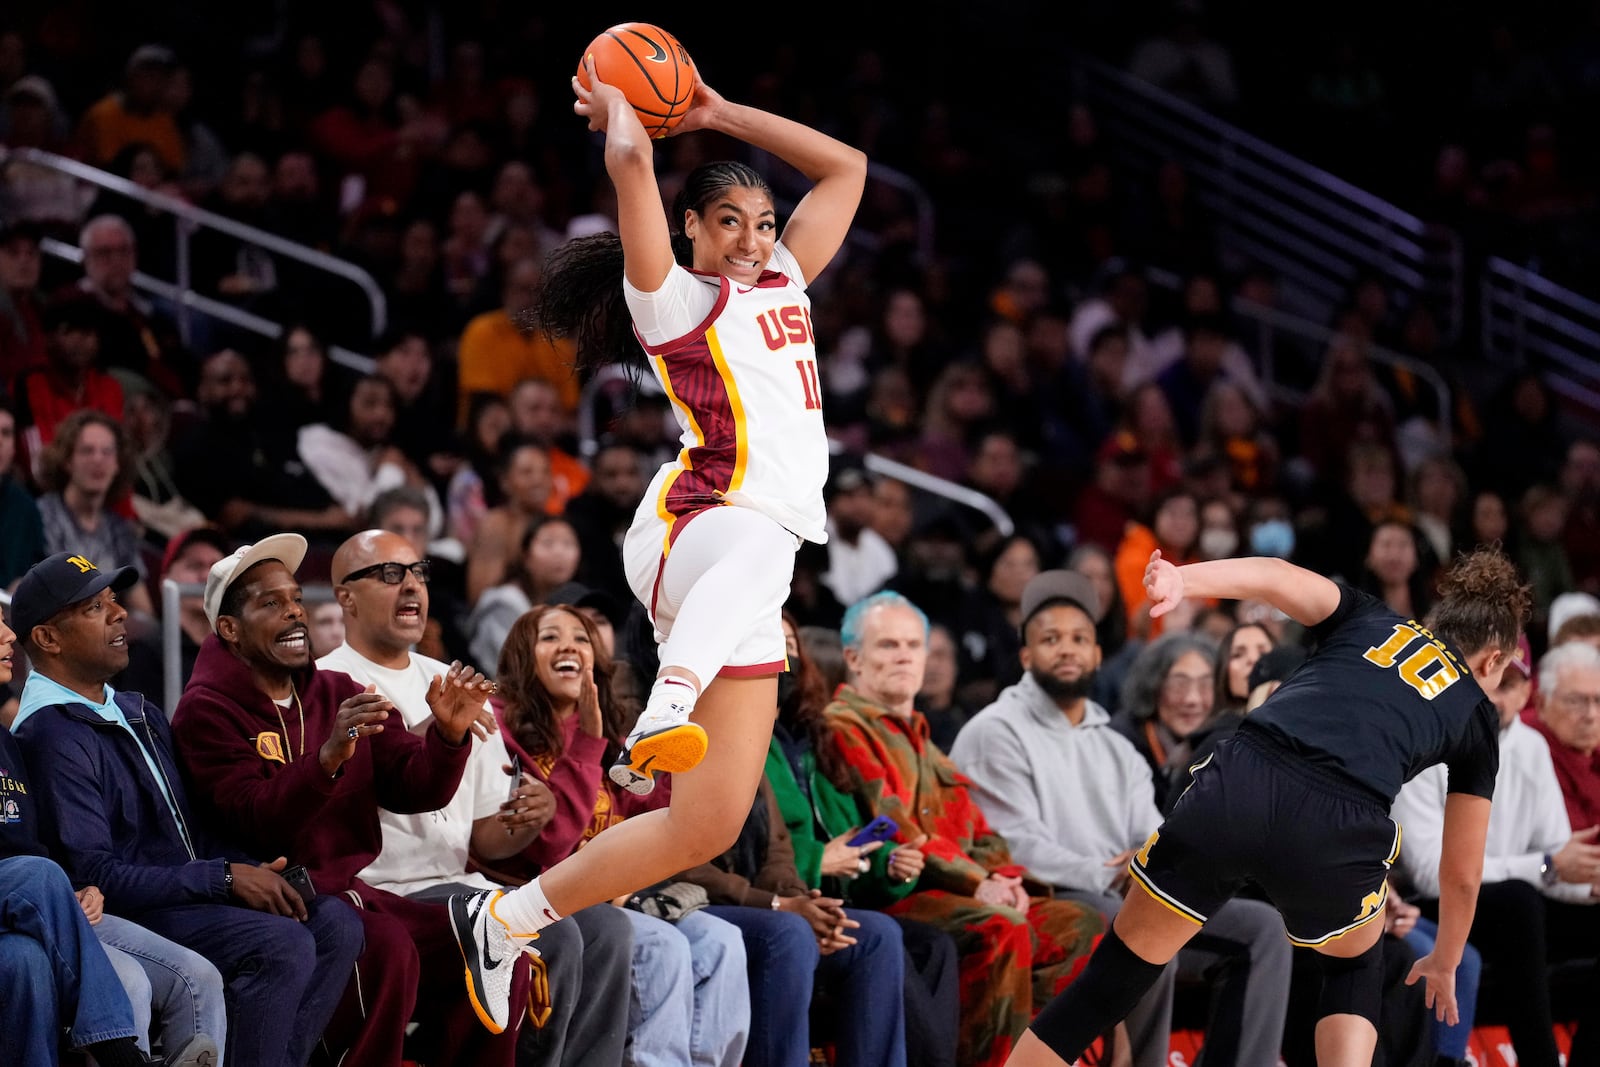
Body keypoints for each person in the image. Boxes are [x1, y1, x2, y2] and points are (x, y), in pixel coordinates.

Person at [443, 52, 872, 1031]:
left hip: (745, 569)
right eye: (731, 221)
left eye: (765, 222)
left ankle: (508, 917)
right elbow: (632, 169)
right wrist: (624, 119)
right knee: (767, 545)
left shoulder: (789, 277)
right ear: (691, 230)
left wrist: (719, 108)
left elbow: (844, 166)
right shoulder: (675, 302)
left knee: (706, 821)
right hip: (693, 529)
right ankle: (660, 711)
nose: (757, 238)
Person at [1005, 546, 1530, 1067]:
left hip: (1241, 779)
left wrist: (1181, 580)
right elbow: (1461, 872)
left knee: (1112, 980)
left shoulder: (1370, 616)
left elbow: (1275, 576)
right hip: (1337, 822)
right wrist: (1446, 958)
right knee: (1354, 967)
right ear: (1494, 660)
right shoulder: (1477, 717)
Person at [169, 533, 524, 1064]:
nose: (294, 613)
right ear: (229, 630)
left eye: (295, 599)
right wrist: (329, 758)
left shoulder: (335, 690)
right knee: (386, 946)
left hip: (346, 891)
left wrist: (446, 739)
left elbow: (413, 785)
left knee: (498, 942)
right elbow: (254, 817)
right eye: (271, 604)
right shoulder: (205, 711)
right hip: (278, 896)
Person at [9, 550, 363, 1067]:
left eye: (114, 600)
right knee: (280, 945)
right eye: (94, 608)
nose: (120, 614)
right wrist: (223, 879)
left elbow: (189, 829)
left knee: (334, 921)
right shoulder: (51, 733)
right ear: (47, 639)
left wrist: (246, 868)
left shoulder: (137, 709)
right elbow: (95, 874)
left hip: (186, 895)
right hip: (132, 913)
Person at [316, 529, 636, 1067]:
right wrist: (434, 733)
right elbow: (352, 793)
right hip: (381, 890)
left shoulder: (452, 678)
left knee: (606, 928)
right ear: (345, 596)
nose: (412, 586)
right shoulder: (326, 682)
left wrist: (531, 819)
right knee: (545, 939)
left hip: (463, 883)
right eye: (391, 574)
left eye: (418, 572)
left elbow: (488, 835)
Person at [951, 570, 1291, 1067]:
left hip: (1122, 890)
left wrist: (1153, 867)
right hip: (1050, 894)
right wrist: (1115, 875)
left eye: (1079, 639)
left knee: (1261, 927)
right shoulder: (993, 732)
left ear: (1096, 655)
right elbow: (1013, 845)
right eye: (1050, 639)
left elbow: (1155, 831)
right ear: (1026, 656)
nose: (1067, 649)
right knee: (1146, 927)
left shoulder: (1114, 745)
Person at [824, 591, 1107, 1067]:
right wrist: (982, 883)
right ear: (853, 658)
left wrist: (1007, 879)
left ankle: (1023, 1055)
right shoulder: (843, 726)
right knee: (1002, 928)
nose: (905, 656)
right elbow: (897, 825)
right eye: (888, 645)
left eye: (915, 646)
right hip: (895, 891)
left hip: (959, 895)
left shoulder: (920, 734)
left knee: (1084, 927)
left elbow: (981, 831)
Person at [0, 598, 220, 1067]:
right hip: (25, 895)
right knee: (38, 877)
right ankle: (119, 1054)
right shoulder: (44, 729)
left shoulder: (1, 739)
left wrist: (75, 888)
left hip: (30, 912)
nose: (7, 638)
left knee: (195, 976)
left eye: (3, 623)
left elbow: (26, 841)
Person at [1393, 634, 1600, 1067]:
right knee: (1518, 904)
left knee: (1528, 905)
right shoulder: (1423, 743)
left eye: (1509, 685)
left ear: (1527, 693)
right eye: (1489, 681)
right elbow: (1432, 874)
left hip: (1510, 903)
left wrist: (1586, 884)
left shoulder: (1531, 747)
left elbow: (1556, 866)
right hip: (1431, 904)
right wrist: (1544, 866)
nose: (1495, 695)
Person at [770, 612, 961, 1067]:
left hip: (837, 898)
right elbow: (748, 846)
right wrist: (820, 860)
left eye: (792, 646)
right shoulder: (751, 741)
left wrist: (889, 866)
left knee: (936, 946)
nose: (786, 657)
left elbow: (856, 846)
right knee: (879, 934)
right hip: (783, 899)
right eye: (775, 644)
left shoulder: (817, 743)